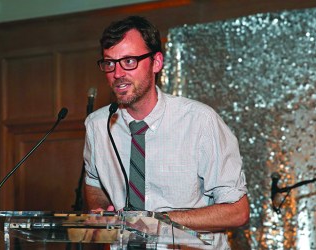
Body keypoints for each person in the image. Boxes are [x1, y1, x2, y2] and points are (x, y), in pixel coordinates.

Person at [84, 15, 249, 249]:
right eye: (110, 63)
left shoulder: (200, 121)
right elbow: (94, 184)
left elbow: (237, 212)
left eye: (129, 61)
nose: (117, 73)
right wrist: (100, 208)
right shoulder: (97, 125)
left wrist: (155, 223)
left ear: (156, 62)